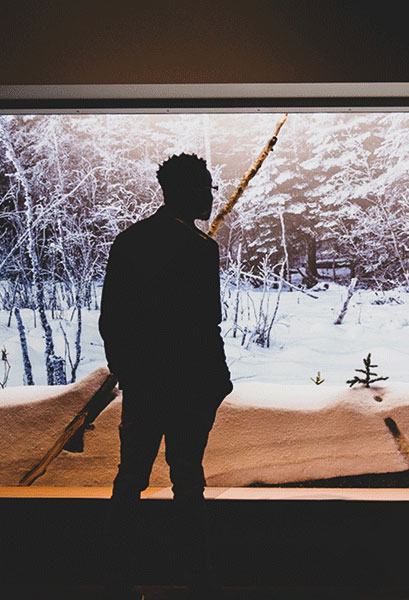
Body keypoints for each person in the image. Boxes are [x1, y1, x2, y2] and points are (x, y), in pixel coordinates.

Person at [100, 153, 233, 599]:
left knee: (131, 477)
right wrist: (219, 379)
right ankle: (197, 577)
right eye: (205, 188)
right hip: (190, 385)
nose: (211, 196)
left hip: (149, 384)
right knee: (188, 478)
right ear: (183, 190)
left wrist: (129, 371)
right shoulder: (200, 249)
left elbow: (112, 320)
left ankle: (117, 577)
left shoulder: (131, 241)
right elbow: (206, 323)